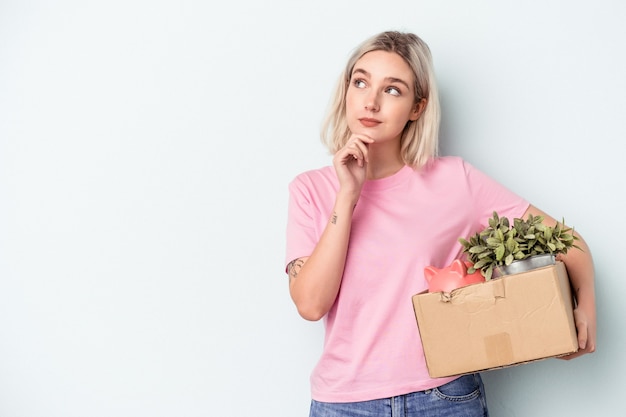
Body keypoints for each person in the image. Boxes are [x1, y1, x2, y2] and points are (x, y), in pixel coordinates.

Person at [284, 30, 596, 417]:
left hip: (444, 398)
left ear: (417, 107)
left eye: (393, 90)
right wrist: (347, 196)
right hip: (343, 404)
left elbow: (567, 241)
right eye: (360, 82)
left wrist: (585, 311)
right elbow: (311, 304)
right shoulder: (311, 190)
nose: (371, 101)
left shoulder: (454, 180)